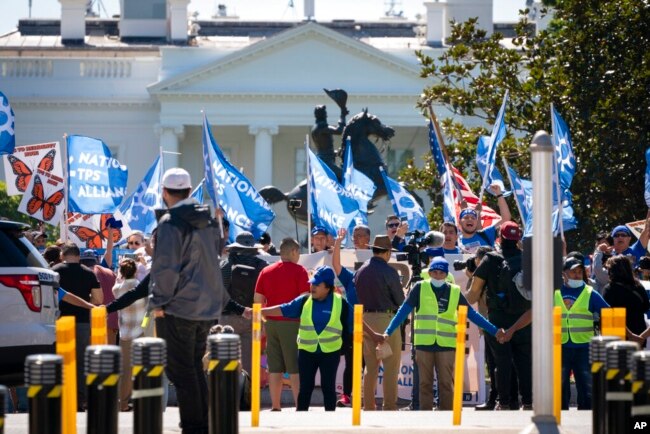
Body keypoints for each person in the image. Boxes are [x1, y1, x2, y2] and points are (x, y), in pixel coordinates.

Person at [150, 167, 226, 434]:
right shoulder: (208, 220)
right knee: (193, 367)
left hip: (179, 305)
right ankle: (202, 423)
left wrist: (158, 302)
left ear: (164, 192)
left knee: (181, 371)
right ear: (189, 190)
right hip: (207, 307)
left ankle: (195, 426)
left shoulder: (171, 222)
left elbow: (166, 267)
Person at [383, 257, 504, 410]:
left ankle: (446, 418)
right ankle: (425, 417)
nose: (437, 276)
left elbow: (472, 315)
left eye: (441, 273)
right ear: (430, 273)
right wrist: (388, 331)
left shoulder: (454, 291)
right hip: (423, 344)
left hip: (446, 345)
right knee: (424, 384)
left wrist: (494, 331)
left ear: (446, 275)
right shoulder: (420, 288)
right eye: (434, 272)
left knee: (446, 384)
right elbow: (402, 312)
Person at [260, 266, 353, 411]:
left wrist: (374, 335)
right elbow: (284, 308)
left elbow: (357, 321)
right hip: (306, 352)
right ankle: (300, 420)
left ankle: (331, 423)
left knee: (328, 388)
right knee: (305, 389)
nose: (312, 286)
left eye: (317, 284)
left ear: (328, 287)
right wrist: (260, 311)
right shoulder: (304, 301)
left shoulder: (341, 303)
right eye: (311, 283)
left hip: (330, 352)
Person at [466, 221, 532, 410]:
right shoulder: (529, 260)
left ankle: (503, 403)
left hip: (497, 322)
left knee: (501, 364)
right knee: (524, 363)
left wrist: (470, 276)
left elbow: (472, 296)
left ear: (500, 238)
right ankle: (527, 403)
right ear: (518, 239)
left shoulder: (491, 259)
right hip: (525, 320)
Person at [253, 237, 310, 411]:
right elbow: (305, 301)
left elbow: (257, 300)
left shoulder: (266, 271)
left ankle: (275, 405)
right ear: (293, 252)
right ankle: (299, 405)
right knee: (295, 367)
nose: (299, 256)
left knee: (274, 367)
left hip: (270, 323)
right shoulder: (300, 271)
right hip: (292, 324)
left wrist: (262, 323)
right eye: (298, 252)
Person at [354, 234, 405, 411]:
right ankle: (389, 406)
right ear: (388, 252)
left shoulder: (360, 271)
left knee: (370, 367)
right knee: (390, 367)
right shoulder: (389, 272)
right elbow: (400, 300)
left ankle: (368, 405)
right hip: (386, 320)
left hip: (366, 320)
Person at [52, 243, 103, 410]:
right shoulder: (89, 273)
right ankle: (81, 400)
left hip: (59, 321)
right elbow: (98, 299)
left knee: (60, 361)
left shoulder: (54, 271)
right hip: (82, 321)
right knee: (81, 362)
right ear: (78, 255)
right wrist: (86, 303)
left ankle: (62, 399)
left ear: (62, 255)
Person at [554, 257, 609, 410]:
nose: (577, 275)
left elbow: (609, 314)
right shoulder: (554, 292)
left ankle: (585, 422)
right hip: (561, 346)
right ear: (564, 273)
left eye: (580, 272)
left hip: (584, 348)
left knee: (586, 387)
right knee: (560, 386)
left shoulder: (590, 293)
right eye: (573, 272)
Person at [220, 231, 268, 374]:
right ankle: (247, 393)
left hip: (227, 318)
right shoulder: (262, 266)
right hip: (253, 317)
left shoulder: (225, 265)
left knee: (226, 361)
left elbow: (220, 294)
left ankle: (227, 392)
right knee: (249, 364)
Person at [112, 258, 144, 412]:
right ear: (135, 271)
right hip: (140, 331)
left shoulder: (116, 288)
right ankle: (137, 400)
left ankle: (123, 402)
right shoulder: (138, 286)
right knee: (142, 368)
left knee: (126, 369)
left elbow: (118, 285)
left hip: (124, 332)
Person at [603, 255, 650, 345]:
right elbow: (645, 307)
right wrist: (638, 337)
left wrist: (630, 335)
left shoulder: (609, 289)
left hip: (616, 338)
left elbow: (611, 317)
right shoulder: (638, 287)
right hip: (639, 336)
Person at [457, 184, 511, 253]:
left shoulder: (486, 234)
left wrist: (499, 194)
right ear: (460, 222)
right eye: (466, 217)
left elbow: (506, 218)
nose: (470, 219)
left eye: (473, 218)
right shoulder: (456, 241)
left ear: (476, 222)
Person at [80, 249, 118, 345]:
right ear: (96, 260)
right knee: (110, 354)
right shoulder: (109, 272)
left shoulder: (85, 274)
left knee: (95, 355)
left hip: (94, 320)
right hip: (112, 318)